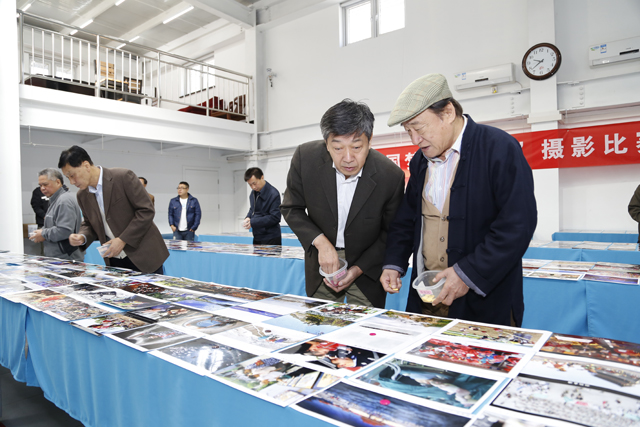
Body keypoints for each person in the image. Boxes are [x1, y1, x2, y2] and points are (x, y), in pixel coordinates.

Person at [380, 74, 537, 327]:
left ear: (448, 113)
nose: (415, 140)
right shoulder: (420, 162)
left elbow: (517, 225)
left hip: (483, 301)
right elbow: (407, 220)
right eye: (408, 131)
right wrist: (394, 263)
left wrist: (467, 274)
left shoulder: (498, 148)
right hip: (429, 297)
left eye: (419, 128)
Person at [281, 99, 405, 308]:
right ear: (326, 143)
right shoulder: (305, 158)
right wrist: (321, 243)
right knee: (319, 319)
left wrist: (357, 269)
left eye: (357, 147)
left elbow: (389, 233)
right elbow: (291, 208)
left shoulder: (390, 176)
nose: (348, 158)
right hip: (322, 265)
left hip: (367, 266)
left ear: (369, 140)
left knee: (365, 323)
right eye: (338, 148)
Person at [58, 145, 168, 274]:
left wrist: (123, 240)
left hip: (144, 256)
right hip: (114, 259)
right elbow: (89, 223)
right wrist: (82, 236)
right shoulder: (82, 195)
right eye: (68, 178)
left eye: (72, 175)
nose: (71, 182)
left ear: (86, 165)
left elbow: (146, 211)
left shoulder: (123, 177)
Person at [29, 168, 84, 261]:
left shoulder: (64, 201)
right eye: (40, 185)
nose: (42, 188)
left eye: (45, 184)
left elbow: (65, 230)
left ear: (58, 182)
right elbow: (53, 225)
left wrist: (43, 233)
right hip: (57, 258)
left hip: (66, 259)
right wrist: (41, 231)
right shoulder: (55, 200)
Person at [243, 167, 282, 245]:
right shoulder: (253, 193)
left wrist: (253, 222)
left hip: (271, 237)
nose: (253, 187)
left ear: (262, 177)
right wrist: (248, 217)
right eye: (250, 185)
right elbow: (252, 209)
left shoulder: (273, 194)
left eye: (254, 183)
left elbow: (275, 217)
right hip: (257, 236)